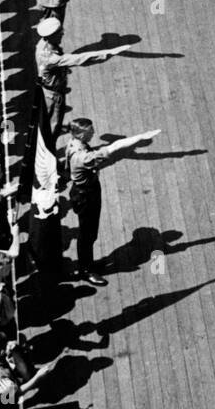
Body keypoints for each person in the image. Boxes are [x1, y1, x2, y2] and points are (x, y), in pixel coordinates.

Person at [63, 118, 159, 285]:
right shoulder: (83, 157)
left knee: (89, 232)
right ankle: (86, 270)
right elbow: (113, 147)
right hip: (86, 195)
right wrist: (140, 137)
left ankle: (88, 263)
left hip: (84, 191)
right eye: (90, 131)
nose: (93, 133)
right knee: (87, 233)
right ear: (81, 134)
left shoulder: (74, 142)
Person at [34, 17, 128, 135]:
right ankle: (49, 148)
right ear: (49, 37)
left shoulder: (43, 44)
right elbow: (80, 59)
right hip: (54, 94)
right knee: (53, 126)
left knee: (51, 119)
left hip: (50, 90)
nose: (62, 33)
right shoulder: (50, 58)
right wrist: (109, 53)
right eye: (58, 33)